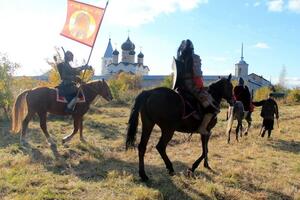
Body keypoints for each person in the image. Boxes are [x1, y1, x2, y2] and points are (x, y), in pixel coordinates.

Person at [177, 39, 218, 135]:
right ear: (192, 48)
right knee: (211, 108)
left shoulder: (180, 58)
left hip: (181, 87)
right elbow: (197, 75)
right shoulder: (194, 58)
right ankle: (202, 128)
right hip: (191, 87)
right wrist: (201, 87)